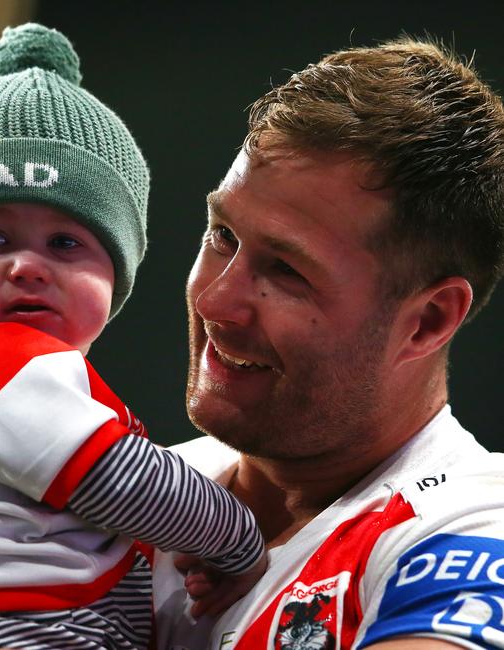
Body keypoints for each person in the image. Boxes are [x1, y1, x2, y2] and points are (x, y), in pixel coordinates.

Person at [0, 23, 266, 650]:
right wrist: (237, 542)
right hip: (13, 627)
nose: (27, 265)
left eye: (66, 243)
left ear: (116, 276)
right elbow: (119, 480)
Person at [152, 38, 504, 649]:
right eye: (222, 236)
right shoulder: (115, 497)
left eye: (287, 271)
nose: (215, 302)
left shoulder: (473, 531)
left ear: (427, 321)